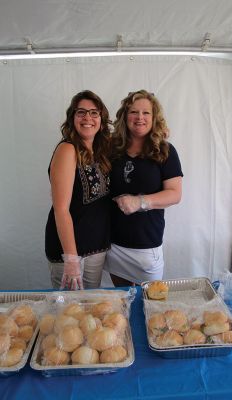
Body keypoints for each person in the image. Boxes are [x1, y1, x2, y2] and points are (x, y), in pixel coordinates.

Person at [104, 90, 183, 287]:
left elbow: (175, 194)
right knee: (124, 303)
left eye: (146, 113)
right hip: (114, 245)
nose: (140, 117)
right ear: (125, 116)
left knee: (149, 304)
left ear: (154, 117)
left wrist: (140, 202)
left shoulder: (165, 150)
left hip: (146, 248)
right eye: (134, 112)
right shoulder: (111, 149)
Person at [45, 90, 112, 290]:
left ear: (101, 118)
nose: (88, 118)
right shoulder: (67, 149)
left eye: (94, 113)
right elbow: (61, 209)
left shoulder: (101, 151)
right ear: (72, 117)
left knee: (89, 310)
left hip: (95, 247)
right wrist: (71, 259)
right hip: (72, 251)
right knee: (70, 313)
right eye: (81, 112)